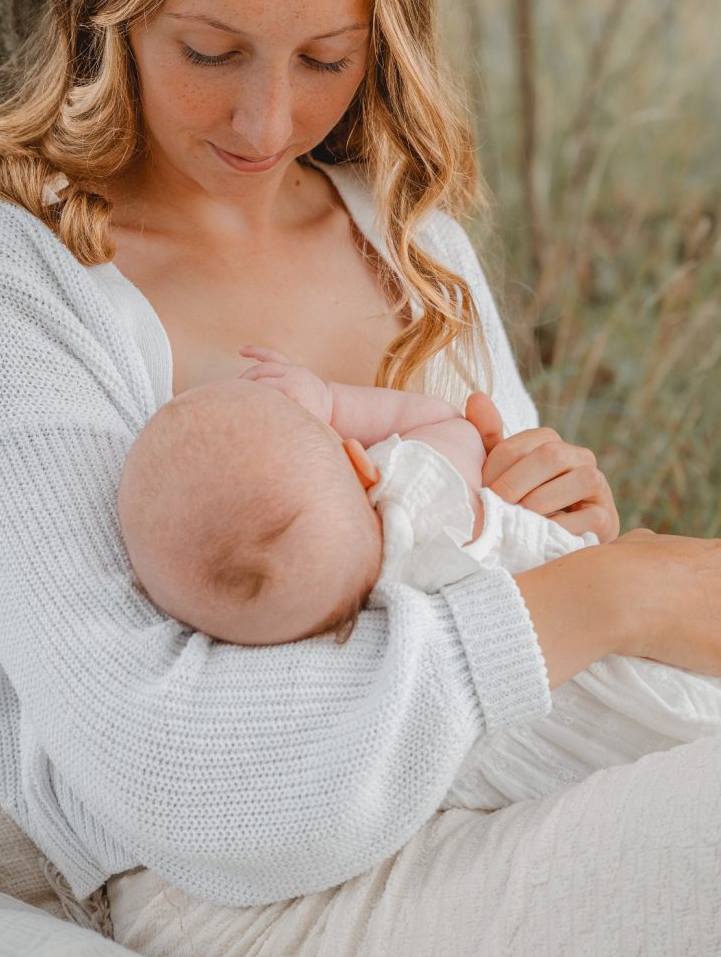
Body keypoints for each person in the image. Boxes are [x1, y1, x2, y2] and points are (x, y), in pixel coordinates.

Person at [0, 0, 721, 956]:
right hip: (249, 889)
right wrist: (606, 593)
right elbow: (175, 776)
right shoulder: (8, 286)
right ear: (110, 8)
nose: (267, 119)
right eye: (210, 51)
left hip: (519, 778)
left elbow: (513, 582)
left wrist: (556, 525)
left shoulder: (410, 242)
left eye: (326, 58)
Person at [117, 348, 721, 817]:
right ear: (361, 463)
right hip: (654, 658)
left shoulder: (334, 647)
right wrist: (328, 400)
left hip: (566, 758)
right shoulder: (416, 484)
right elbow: (448, 421)